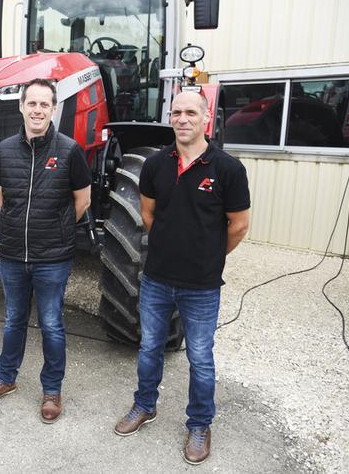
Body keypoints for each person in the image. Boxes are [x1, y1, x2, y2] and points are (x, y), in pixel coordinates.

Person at [113, 91, 251, 465]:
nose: (182, 118)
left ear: (206, 118)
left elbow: (238, 226)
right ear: (170, 118)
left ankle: (200, 424)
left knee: (201, 358)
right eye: (176, 112)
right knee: (149, 348)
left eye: (191, 112)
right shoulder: (156, 165)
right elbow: (148, 213)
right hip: (157, 278)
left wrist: (206, 256)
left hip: (202, 286)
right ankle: (144, 406)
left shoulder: (227, 169)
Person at [0, 78, 92, 423]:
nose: (38, 110)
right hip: (12, 253)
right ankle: (5, 378)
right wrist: (13, 224)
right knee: (13, 320)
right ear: (22, 107)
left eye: (45, 104)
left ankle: (52, 390)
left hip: (52, 256)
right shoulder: (5, 149)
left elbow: (81, 201)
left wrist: (56, 229)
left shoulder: (69, 150)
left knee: (52, 324)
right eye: (32, 103)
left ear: (53, 109)